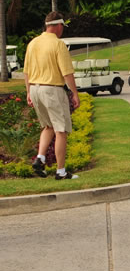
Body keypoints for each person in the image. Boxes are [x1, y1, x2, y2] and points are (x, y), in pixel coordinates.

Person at [24, 11, 81, 180]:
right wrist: (75, 94)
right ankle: (61, 171)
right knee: (61, 130)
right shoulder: (58, 44)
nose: (62, 29)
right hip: (52, 89)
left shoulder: (33, 43)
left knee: (48, 126)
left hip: (35, 88)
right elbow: (67, 73)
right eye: (62, 26)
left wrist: (28, 91)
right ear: (57, 26)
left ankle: (40, 158)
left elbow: (26, 72)